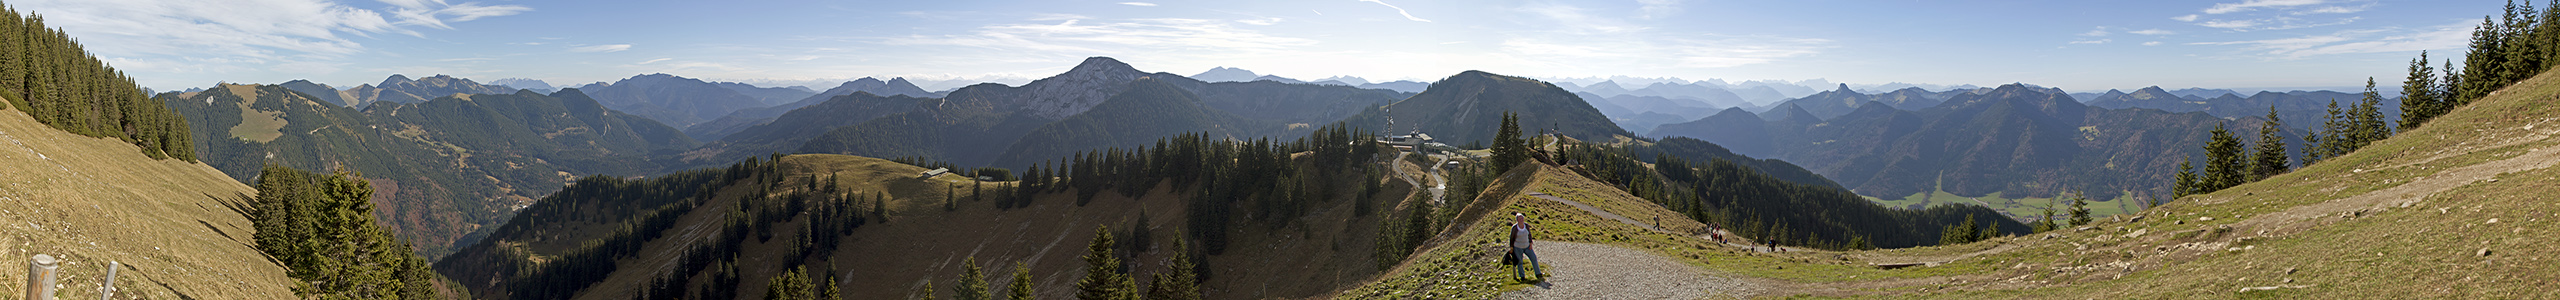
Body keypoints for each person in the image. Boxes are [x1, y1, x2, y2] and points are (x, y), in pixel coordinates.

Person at [1509, 212, 1545, 281]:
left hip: (1527, 246)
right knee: (1520, 261)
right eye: (1520, 218)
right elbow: (1512, 238)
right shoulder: (1514, 228)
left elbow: (1529, 235)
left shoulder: (1526, 226)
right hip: (1518, 247)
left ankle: (1538, 273)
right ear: (1517, 220)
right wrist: (1511, 247)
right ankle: (1522, 276)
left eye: (1522, 218)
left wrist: (1531, 243)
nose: (1521, 219)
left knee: (1533, 258)